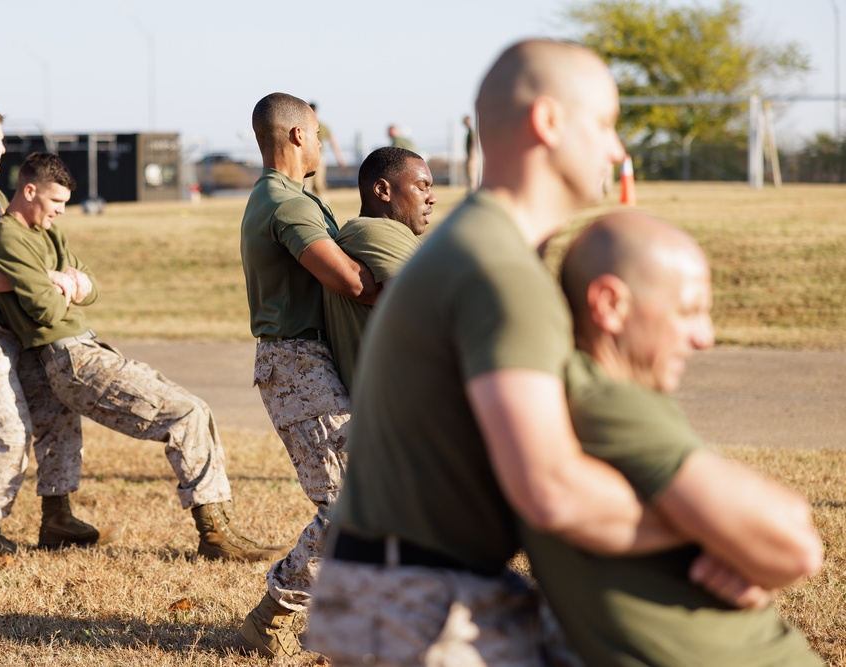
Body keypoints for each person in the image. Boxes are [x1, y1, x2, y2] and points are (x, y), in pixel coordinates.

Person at [308, 39, 669, 665]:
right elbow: (551, 487)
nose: (616, 150)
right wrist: (703, 535)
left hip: (419, 583)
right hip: (425, 604)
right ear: (548, 123)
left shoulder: (486, 250)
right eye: (606, 125)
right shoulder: (486, 267)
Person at [520, 211, 823, 666]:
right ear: (609, 304)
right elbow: (796, 547)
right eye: (689, 311)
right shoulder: (610, 405)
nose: (706, 337)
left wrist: (723, 532)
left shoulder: (574, 394)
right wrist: (721, 532)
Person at [0, 151, 282, 563]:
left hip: (81, 346)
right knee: (188, 414)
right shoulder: (8, 236)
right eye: (55, 203)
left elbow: (91, 285)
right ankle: (216, 534)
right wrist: (63, 284)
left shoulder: (47, 234)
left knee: (61, 433)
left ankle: (56, 521)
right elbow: (46, 310)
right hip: (70, 354)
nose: (59, 214)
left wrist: (68, 283)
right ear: (29, 190)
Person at [0, 103, 112, 555]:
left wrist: (63, 275)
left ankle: (57, 517)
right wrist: (43, 279)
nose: (6, 150)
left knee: (57, 411)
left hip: (7, 325)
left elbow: (28, 247)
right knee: (7, 431)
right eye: (2, 140)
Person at [236, 92, 380, 658]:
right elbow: (351, 281)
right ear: (296, 136)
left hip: (309, 359)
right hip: (297, 364)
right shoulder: (286, 204)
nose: (321, 141)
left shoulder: (288, 197)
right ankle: (268, 619)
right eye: (317, 132)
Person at [324, 146, 434, 393]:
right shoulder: (375, 231)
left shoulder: (389, 233)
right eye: (422, 185)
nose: (431, 197)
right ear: (383, 190)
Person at [303, 102, 346, 200]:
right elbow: (333, 143)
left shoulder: (317, 126)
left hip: (315, 157)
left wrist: (340, 158)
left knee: (313, 185)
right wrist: (340, 158)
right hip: (314, 157)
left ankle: (321, 206)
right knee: (314, 185)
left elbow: (332, 143)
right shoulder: (317, 125)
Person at [464, 114, 479, 192]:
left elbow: (473, 144)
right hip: (471, 156)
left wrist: (471, 158)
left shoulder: (471, 132)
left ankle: (473, 193)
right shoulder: (469, 131)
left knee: (472, 176)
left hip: (472, 157)